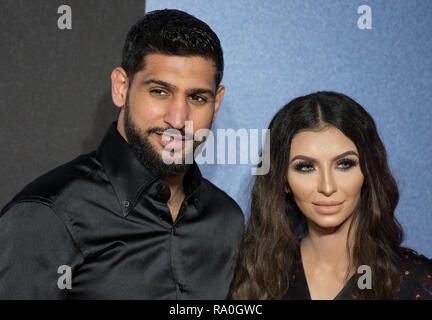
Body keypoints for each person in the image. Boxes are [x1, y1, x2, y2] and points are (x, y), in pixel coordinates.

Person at [0, 9, 244, 299]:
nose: (179, 119)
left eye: (197, 98)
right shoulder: (48, 215)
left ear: (216, 103)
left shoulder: (226, 219)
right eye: (159, 92)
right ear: (121, 88)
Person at [230, 91, 432, 300]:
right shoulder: (255, 278)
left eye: (345, 164)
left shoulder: (414, 281)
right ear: (283, 181)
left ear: (367, 171)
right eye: (306, 167)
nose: (327, 187)